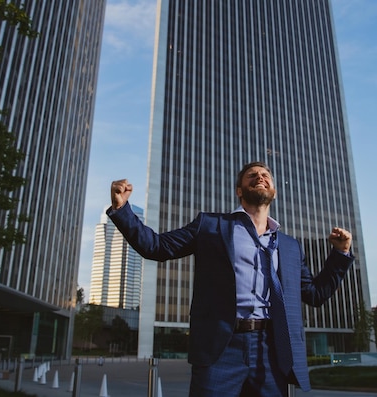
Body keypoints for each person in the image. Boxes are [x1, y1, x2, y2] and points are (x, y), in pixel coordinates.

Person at [107, 161, 354, 397]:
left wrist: (341, 254)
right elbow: (157, 247)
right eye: (252, 175)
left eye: (265, 176)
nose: (260, 177)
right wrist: (122, 210)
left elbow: (315, 294)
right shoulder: (211, 225)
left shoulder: (290, 246)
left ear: (274, 192)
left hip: (272, 349)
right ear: (239, 190)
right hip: (222, 347)